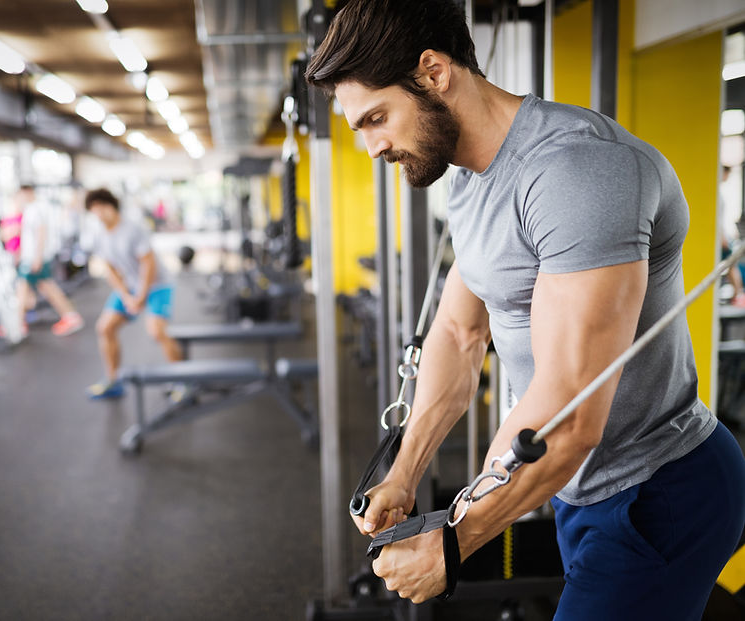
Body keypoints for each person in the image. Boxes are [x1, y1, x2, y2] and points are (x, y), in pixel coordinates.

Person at [305, 1, 745, 617]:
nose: (374, 147)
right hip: (581, 486)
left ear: (434, 73)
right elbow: (460, 332)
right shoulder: (468, 175)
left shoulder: (578, 172)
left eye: (377, 118)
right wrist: (404, 470)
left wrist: (452, 543)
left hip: (657, 489)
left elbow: (571, 407)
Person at [83, 188, 183, 399]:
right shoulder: (99, 235)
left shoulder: (133, 228)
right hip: (130, 286)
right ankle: (113, 381)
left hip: (157, 285)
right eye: (94, 210)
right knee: (105, 328)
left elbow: (148, 264)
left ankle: (183, 381)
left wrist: (141, 296)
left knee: (157, 332)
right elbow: (109, 268)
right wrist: (127, 296)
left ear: (111, 206)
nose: (98, 214)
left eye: (101, 208)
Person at [14, 185, 83, 337]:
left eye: (20, 195)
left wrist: (37, 258)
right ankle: (70, 316)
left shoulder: (35, 210)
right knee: (43, 287)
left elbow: (41, 233)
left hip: (35, 258)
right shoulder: (31, 209)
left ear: (27, 193)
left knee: (25, 287)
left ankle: (18, 325)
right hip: (32, 257)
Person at [719, 165, 745, 307]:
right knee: (731, 266)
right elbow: (717, 222)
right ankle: (738, 294)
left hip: (722, 237)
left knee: (731, 266)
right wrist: (723, 240)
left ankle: (737, 294)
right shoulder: (718, 196)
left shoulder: (720, 195)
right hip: (720, 239)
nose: (727, 177)